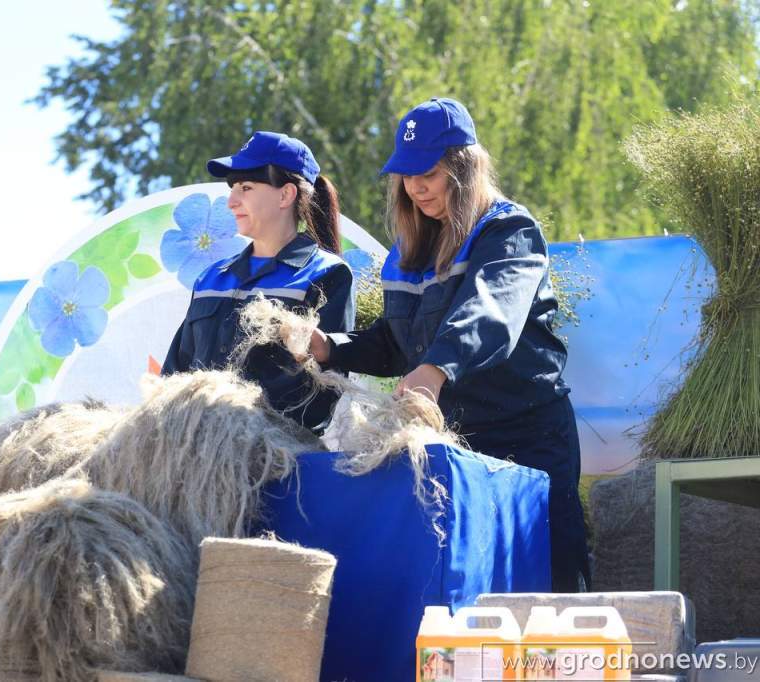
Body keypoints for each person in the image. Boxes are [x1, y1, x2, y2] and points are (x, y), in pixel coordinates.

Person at [307, 98, 590, 591]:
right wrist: (331, 347)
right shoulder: (405, 256)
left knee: (547, 579)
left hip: (530, 439)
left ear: (463, 169)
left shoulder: (508, 231)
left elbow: (491, 310)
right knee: (469, 586)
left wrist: (435, 370)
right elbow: (396, 343)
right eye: (406, 175)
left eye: (429, 173)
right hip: (457, 445)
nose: (415, 187)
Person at [162, 131, 355, 434]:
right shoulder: (212, 278)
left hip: (276, 465)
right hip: (191, 459)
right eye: (233, 188)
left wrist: (241, 436)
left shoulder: (326, 275)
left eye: (246, 187)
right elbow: (173, 377)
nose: (231, 202)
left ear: (285, 195)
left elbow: (321, 398)